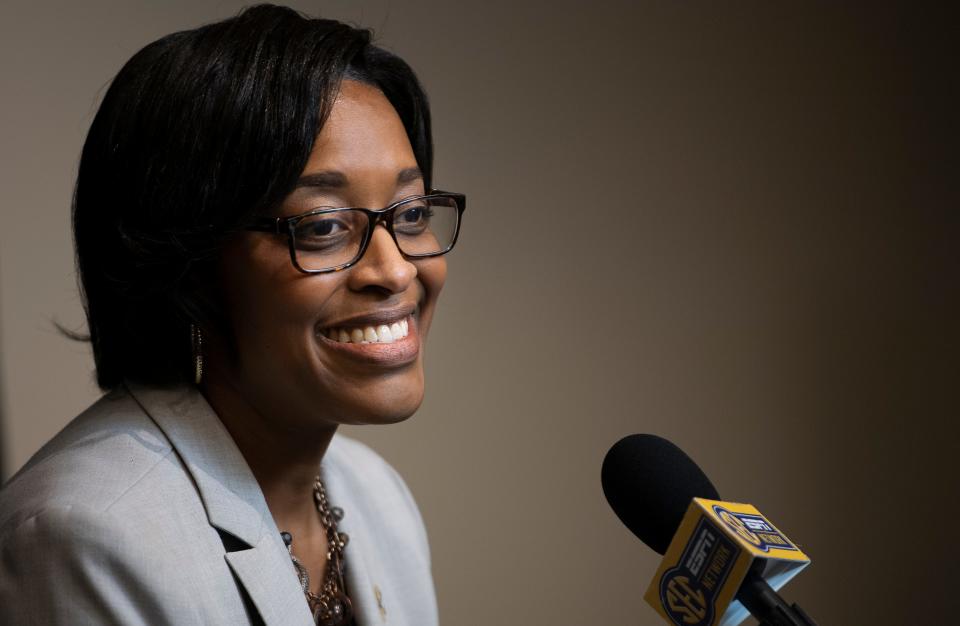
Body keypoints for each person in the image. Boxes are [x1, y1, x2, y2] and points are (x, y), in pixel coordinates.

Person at [0, 5, 464, 625]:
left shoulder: (377, 495)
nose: (397, 269)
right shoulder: (86, 536)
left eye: (410, 213)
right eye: (324, 225)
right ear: (189, 265)